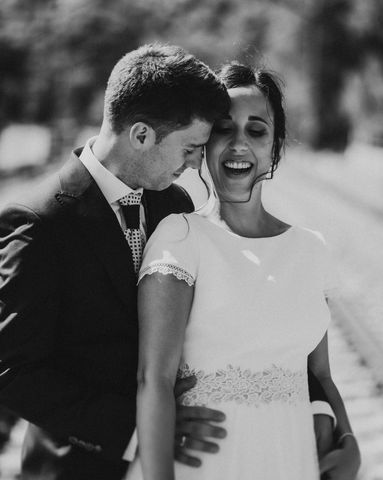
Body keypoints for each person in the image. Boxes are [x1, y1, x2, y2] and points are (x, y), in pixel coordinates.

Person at [0, 43, 231, 480]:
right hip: (77, 465)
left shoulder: (174, 202)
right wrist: (140, 429)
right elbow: (8, 372)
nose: (195, 165)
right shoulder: (39, 221)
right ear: (140, 135)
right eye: (190, 148)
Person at [127, 62, 361, 480]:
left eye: (256, 131)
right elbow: (153, 380)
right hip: (206, 464)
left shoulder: (310, 249)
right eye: (223, 129)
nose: (239, 145)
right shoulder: (180, 237)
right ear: (202, 143)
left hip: (290, 458)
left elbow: (319, 374)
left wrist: (349, 442)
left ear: (274, 146)